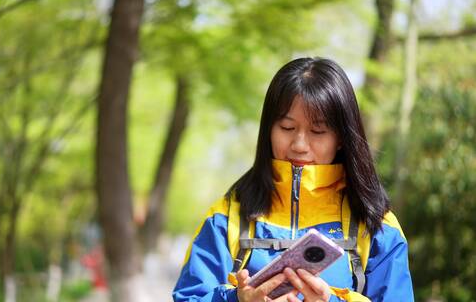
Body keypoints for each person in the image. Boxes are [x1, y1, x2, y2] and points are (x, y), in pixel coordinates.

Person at [172, 57, 414, 302]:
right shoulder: (226, 217)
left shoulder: (378, 226)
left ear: (341, 137)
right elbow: (190, 296)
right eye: (287, 128)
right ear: (269, 129)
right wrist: (237, 299)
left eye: (318, 132)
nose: (299, 145)